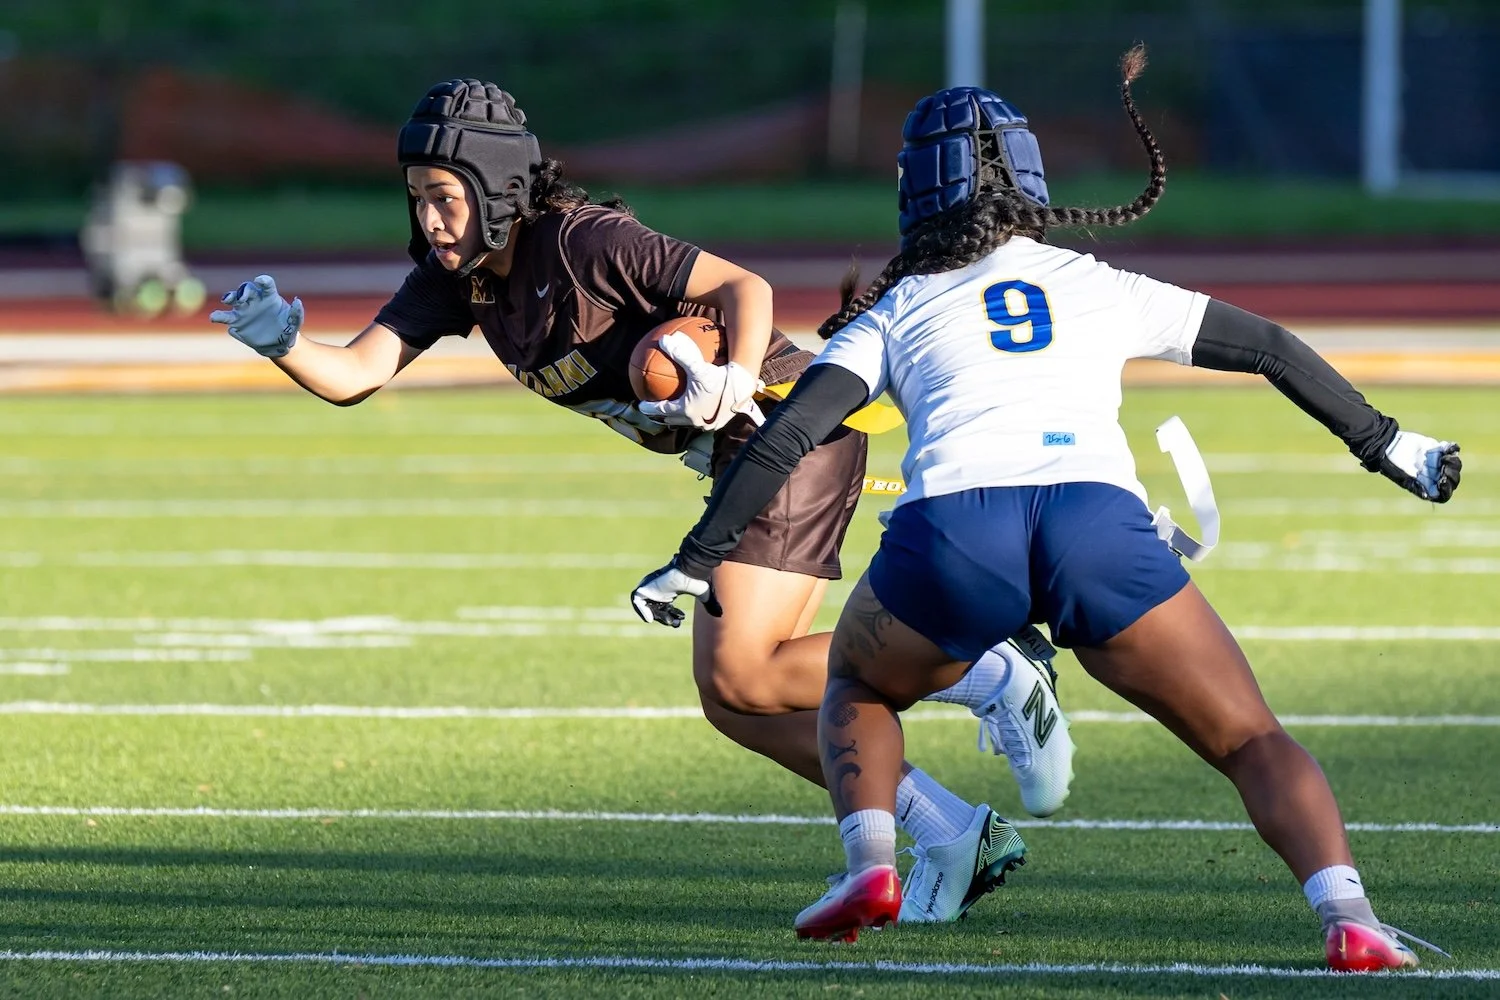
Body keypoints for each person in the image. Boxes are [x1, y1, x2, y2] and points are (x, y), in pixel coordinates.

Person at [631, 46, 1462, 967]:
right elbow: (1268, 345)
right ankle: (1348, 916)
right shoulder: (1098, 284)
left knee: (858, 688)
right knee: (1249, 738)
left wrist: (696, 558)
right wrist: (1389, 443)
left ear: (915, 191)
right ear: (1029, 180)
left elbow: (790, 434)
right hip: (1097, 530)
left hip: (956, 536)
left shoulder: (898, 307)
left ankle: (872, 864)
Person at [208, 78, 1078, 924]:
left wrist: (731, 379)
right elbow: (355, 373)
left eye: (445, 197)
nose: (430, 219)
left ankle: (983, 668)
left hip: (783, 435)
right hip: (747, 460)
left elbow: (745, 288)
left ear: (496, 187)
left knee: (743, 676)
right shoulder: (458, 278)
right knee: (738, 702)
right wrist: (281, 341)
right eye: (418, 198)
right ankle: (951, 831)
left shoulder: (583, 243)